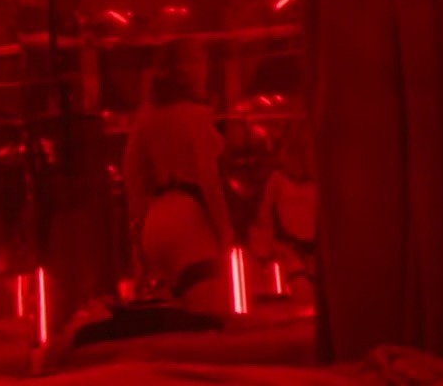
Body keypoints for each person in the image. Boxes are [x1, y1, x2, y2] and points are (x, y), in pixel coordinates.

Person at [122, 39, 234, 314]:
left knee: (174, 319)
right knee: (210, 318)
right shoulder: (196, 116)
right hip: (190, 221)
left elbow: (131, 175)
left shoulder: (146, 117)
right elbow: (209, 180)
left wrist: (138, 239)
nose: (204, 68)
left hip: (156, 221)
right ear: (185, 70)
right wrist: (225, 232)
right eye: (198, 61)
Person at [248, 127, 317, 302]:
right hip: (290, 248)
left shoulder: (318, 180)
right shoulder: (277, 179)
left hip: (316, 250)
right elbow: (263, 218)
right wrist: (265, 252)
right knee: (305, 296)